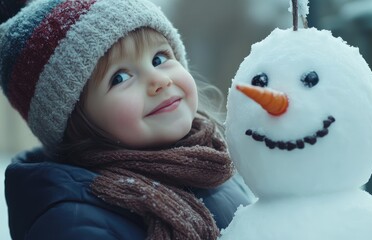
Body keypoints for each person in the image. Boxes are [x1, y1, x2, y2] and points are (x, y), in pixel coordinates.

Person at [0, 0, 251, 239]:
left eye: (159, 59)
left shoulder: (212, 166)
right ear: (76, 123)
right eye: (120, 77)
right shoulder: (72, 222)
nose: (159, 81)